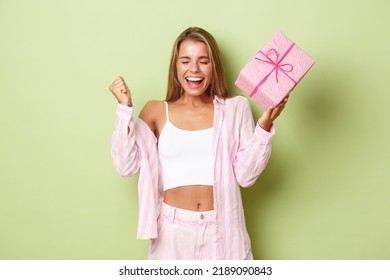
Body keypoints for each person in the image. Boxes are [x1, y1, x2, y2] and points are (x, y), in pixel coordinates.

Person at [108, 27, 288, 260]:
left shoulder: (236, 108)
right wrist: (124, 108)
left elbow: (245, 176)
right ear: (176, 66)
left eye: (203, 61)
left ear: (214, 67)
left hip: (224, 230)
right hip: (172, 233)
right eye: (185, 61)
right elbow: (125, 166)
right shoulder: (155, 111)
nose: (194, 69)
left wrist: (263, 127)